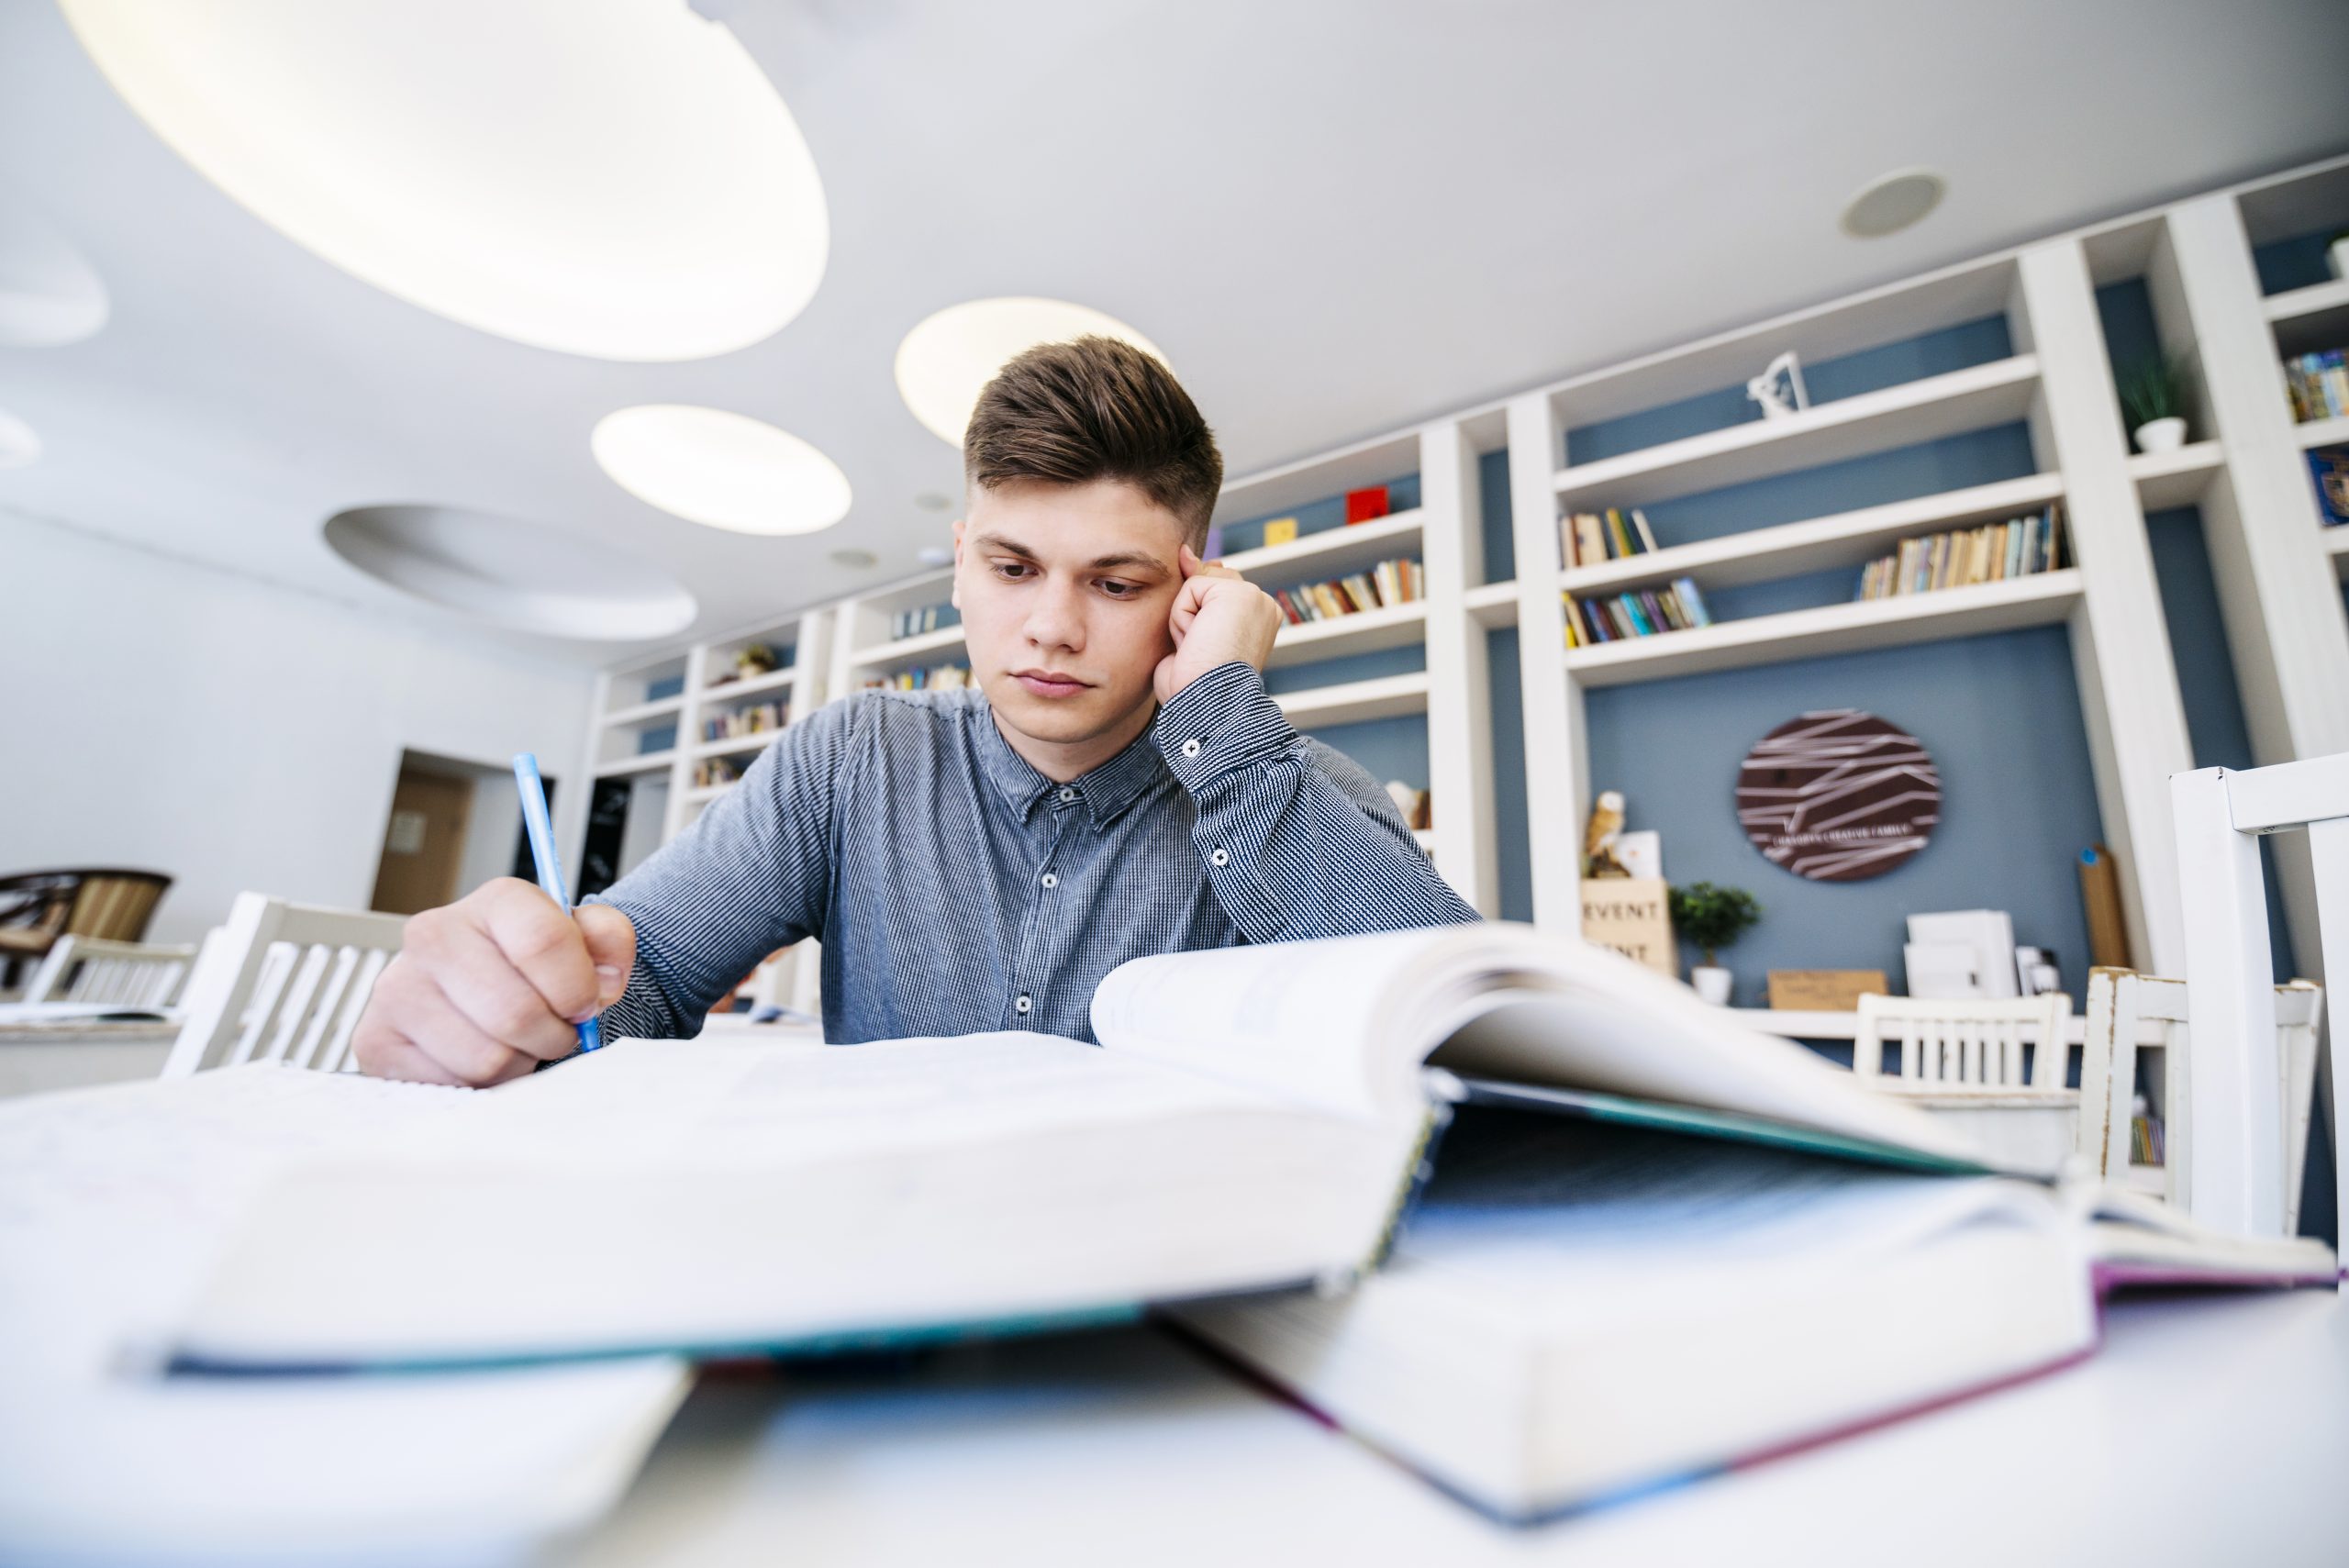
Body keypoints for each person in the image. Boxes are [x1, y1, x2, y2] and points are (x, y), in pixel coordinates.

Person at [355, 337, 1479, 1085]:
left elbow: (1465, 1036)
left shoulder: (1286, 791)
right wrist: (515, 1002)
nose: (1049, 627)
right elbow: (633, 984)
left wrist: (1224, 719)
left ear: (1194, 594)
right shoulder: (855, 758)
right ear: (957, 564)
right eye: (1011, 566)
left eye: (1116, 582)